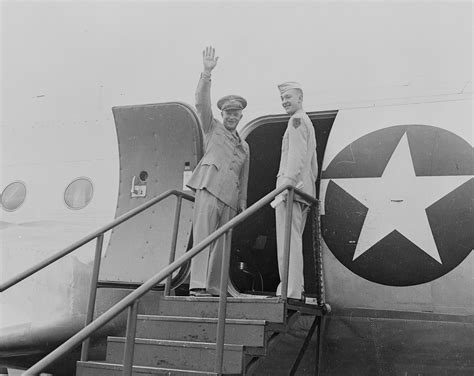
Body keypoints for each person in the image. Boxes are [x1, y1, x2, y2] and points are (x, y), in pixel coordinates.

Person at [186, 46, 250, 297]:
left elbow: (244, 175)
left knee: (222, 243)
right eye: (227, 113)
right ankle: (198, 285)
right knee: (203, 237)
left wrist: (243, 201)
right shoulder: (211, 127)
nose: (231, 117)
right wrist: (206, 72)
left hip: (230, 198)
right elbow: (201, 102)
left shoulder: (245, 145)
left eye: (236, 113)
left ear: (241, 115)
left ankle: (213, 287)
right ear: (222, 114)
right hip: (209, 187)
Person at [274, 81, 318, 300]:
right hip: (302, 189)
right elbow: (313, 166)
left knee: (287, 241)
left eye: (288, 97)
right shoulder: (306, 122)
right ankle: (295, 288)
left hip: (290, 189)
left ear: (300, 98)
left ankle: (289, 291)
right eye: (282, 98)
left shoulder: (296, 120)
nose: (284, 102)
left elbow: (296, 157)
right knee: (294, 240)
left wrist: (286, 185)